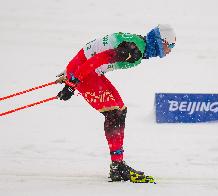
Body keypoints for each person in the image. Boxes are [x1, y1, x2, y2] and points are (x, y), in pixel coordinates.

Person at [56, 24, 176, 183]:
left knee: (120, 110)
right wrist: (72, 82)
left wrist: (72, 70)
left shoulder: (137, 43)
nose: (168, 53)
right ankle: (117, 166)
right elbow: (99, 58)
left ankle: (117, 164)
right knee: (114, 113)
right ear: (160, 42)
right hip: (85, 72)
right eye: (169, 46)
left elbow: (95, 48)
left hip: (86, 70)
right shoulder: (134, 51)